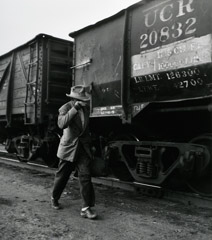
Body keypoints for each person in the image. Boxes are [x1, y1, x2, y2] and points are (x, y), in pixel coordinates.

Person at [51, 85, 97, 219]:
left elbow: (86, 130)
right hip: (69, 148)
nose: (84, 101)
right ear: (74, 98)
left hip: (82, 148)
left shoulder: (86, 109)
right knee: (62, 176)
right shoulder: (65, 108)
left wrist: (90, 145)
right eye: (80, 99)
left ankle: (86, 208)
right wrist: (75, 108)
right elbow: (62, 124)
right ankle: (54, 197)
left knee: (85, 177)